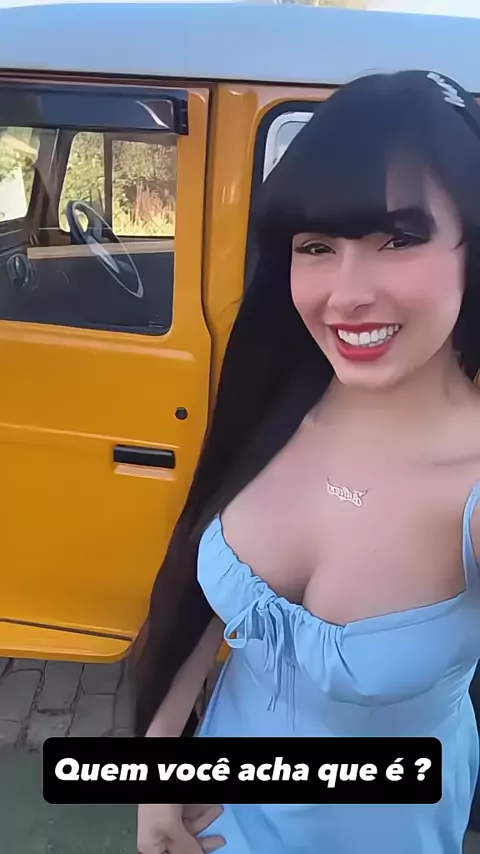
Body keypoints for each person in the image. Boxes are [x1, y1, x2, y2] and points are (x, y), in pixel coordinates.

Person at [133, 70, 480, 854]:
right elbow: (201, 600)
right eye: (317, 247)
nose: (345, 295)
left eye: (398, 240)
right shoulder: (275, 399)